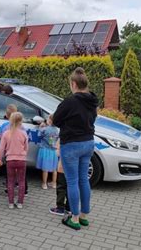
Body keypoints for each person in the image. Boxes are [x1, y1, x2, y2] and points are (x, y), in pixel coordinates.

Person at [53, 67, 98, 231]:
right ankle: (84, 216)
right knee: (83, 180)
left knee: (72, 181)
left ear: (73, 84)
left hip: (71, 145)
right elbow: (92, 118)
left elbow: (56, 120)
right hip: (88, 143)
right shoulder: (93, 101)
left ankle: (75, 218)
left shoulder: (70, 101)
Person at [0, 112, 28, 209]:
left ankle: (10, 202)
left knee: (10, 181)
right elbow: (26, 148)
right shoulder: (24, 133)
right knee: (21, 181)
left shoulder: (6, 133)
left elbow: (1, 148)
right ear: (21, 121)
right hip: (21, 160)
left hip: (10, 160)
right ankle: (20, 203)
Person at [37, 114, 59, 189]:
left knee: (45, 168)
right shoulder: (57, 130)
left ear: (50, 121)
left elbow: (39, 135)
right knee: (54, 169)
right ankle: (54, 183)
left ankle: (44, 184)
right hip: (53, 151)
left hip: (45, 150)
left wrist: (40, 127)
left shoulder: (45, 129)